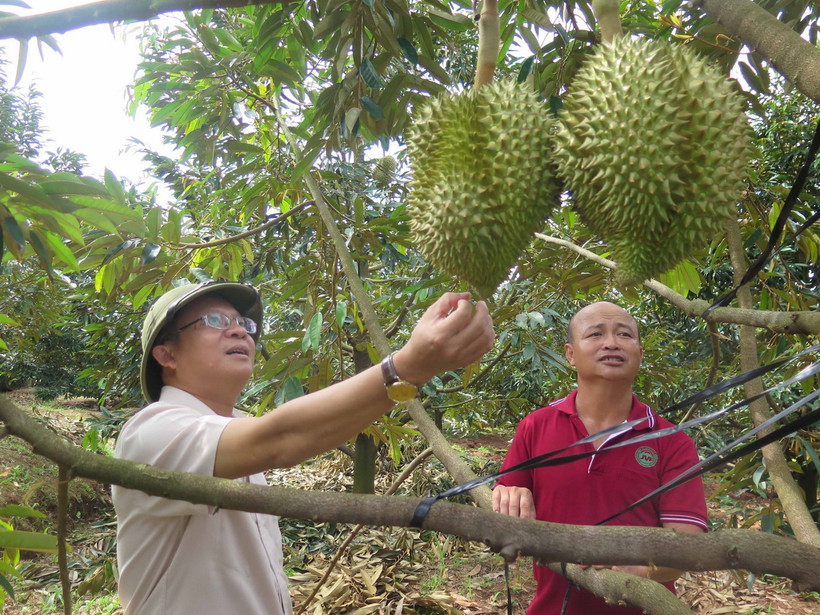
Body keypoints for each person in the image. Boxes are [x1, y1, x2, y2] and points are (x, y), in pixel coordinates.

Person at [112, 281, 494, 615]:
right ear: (167, 355)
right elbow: (281, 439)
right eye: (215, 321)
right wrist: (407, 367)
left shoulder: (237, 433)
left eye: (244, 324)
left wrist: (412, 373)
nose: (239, 331)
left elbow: (296, 433)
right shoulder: (151, 432)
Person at [492, 301, 707, 614]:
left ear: (639, 354)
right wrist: (507, 495)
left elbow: (688, 545)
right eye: (595, 334)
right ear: (570, 354)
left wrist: (637, 569)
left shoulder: (672, 441)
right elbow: (507, 515)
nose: (611, 343)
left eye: (624, 334)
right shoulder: (535, 427)